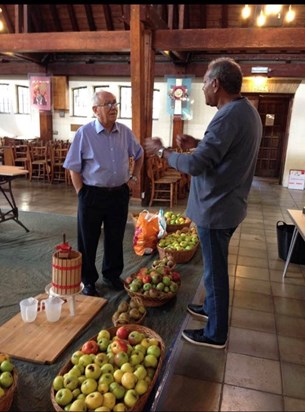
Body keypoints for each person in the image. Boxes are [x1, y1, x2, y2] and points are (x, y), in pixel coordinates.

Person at [144, 57, 262, 349]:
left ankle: (215, 333)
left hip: (217, 209)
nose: (204, 89)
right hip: (230, 204)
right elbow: (223, 150)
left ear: (216, 84)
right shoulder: (246, 111)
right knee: (214, 267)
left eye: (205, 83)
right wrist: (196, 139)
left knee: (215, 271)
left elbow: (196, 164)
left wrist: (163, 152)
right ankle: (210, 308)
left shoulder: (227, 116)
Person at [64, 90, 144, 296]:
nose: (113, 107)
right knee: (88, 239)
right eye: (107, 104)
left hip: (119, 194)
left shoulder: (125, 132)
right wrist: (81, 192)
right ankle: (88, 280)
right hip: (92, 194)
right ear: (95, 110)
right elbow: (73, 166)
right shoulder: (84, 133)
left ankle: (111, 274)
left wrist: (133, 178)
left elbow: (139, 154)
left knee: (115, 237)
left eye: (115, 103)